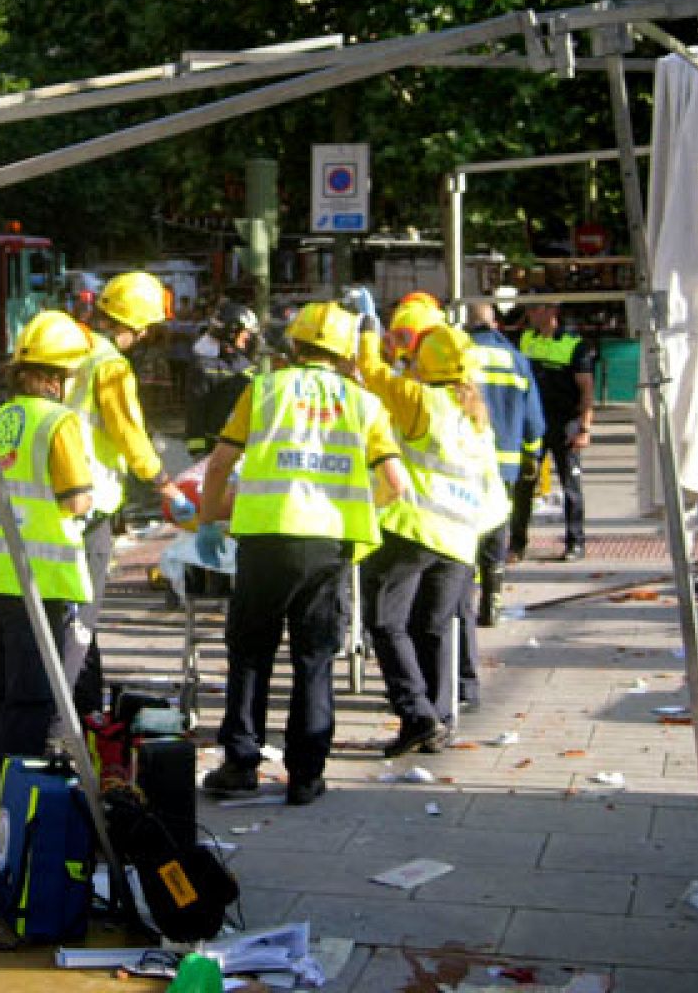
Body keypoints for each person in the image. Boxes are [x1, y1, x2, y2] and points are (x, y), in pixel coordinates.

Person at [194, 302, 407, 806]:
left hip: (267, 539)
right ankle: (307, 775)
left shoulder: (264, 388)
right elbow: (395, 482)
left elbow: (221, 461)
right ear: (343, 352)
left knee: (250, 653)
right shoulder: (363, 402)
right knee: (314, 658)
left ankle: (241, 763)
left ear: (294, 344)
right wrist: (351, 507)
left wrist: (208, 520)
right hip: (328, 544)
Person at [349, 292, 508, 757]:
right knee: (433, 628)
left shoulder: (420, 400)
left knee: (384, 620)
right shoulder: (475, 412)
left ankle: (416, 713)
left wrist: (365, 329)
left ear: (424, 364)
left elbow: (373, 376)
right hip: (460, 538)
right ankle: (437, 721)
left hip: (413, 529)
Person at [0, 310, 95, 826]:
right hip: (39, 581)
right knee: (31, 702)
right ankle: (15, 819)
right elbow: (76, 500)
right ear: (51, 376)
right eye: (66, 376)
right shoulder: (59, 422)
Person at [64, 270, 194, 717]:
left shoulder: (67, 346)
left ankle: (84, 705)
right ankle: (71, 715)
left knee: (71, 613)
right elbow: (128, 433)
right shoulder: (109, 365)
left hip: (49, 499)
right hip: (88, 501)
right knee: (81, 614)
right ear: (137, 325)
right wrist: (163, 481)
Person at [461, 302, 545, 709]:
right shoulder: (516, 359)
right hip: (505, 462)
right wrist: (532, 454)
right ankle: (492, 597)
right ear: (495, 322)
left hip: (463, 459)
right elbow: (533, 418)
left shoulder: (457, 352)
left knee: (465, 527)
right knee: (497, 526)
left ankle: (465, 591)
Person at [509, 300, 596, 562]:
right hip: (534, 423)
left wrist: (584, 428)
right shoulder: (525, 339)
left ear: (552, 311)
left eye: (536, 308)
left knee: (571, 485)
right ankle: (517, 544)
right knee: (524, 485)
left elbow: (587, 390)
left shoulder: (573, 345)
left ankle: (575, 543)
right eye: (530, 309)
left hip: (565, 422)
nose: (531, 314)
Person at [184, 300, 261, 456]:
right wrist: (198, 451)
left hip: (245, 447)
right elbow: (195, 413)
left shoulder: (250, 367)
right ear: (232, 332)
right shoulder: (205, 367)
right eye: (246, 332)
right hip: (215, 449)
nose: (249, 337)